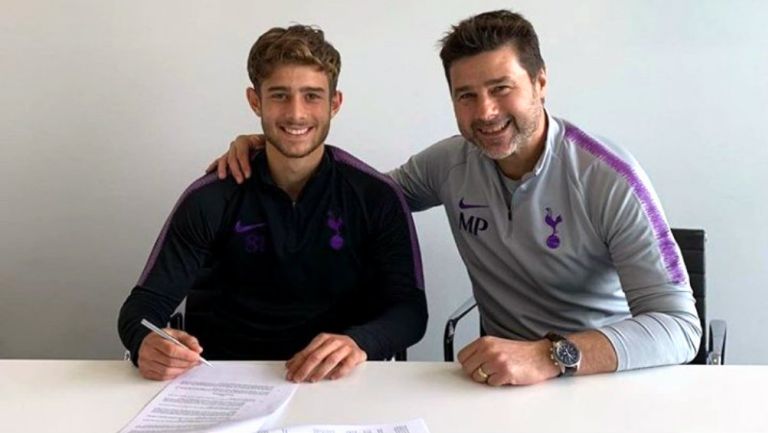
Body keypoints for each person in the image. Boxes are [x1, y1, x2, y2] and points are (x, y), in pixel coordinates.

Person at [210, 10, 702, 387]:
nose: (485, 112)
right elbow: (354, 197)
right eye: (466, 95)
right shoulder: (449, 163)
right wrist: (276, 145)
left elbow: (680, 327)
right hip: (496, 379)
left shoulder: (609, 179)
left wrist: (552, 355)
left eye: (501, 88)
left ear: (541, 83)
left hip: (601, 380)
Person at [118, 24, 427, 382]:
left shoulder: (376, 195)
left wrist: (360, 342)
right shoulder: (210, 197)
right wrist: (147, 342)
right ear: (255, 101)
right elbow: (142, 307)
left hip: (337, 381)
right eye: (280, 95)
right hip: (223, 381)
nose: (296, 114)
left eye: (312, 96)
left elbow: (410, 310)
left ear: (335, 104)